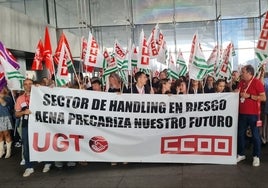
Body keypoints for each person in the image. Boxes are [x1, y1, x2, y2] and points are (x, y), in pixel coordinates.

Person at [15, 78, 52, 177]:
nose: (28, 86)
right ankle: (29, 167)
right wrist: (23, 112)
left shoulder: (40, 94)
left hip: (41, 124)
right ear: (23, 86)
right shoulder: (20, 99)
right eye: (26, 84)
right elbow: (16, 114)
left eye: (30, 84)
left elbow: (52, 96)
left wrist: (43, 88)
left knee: (44, 143)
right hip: (26, 124)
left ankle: (47, 163)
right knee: (26, 146)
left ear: (33, 84)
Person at [236, 65, 266, 167]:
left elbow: (263, 98)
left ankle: (256, 156)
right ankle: (241, 154)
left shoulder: (257, 82)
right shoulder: (241, 82)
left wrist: (249, 96)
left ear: (249, 73)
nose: (241, 73)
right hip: (242, 113)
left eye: (243, 72)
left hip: (253, 114)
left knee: (255, 136)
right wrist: (236, 93)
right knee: (240, 134)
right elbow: (238, 93)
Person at [0, 86, 14, 158]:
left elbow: (4, 104)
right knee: (0, 135)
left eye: (2, 88)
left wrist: (0, 97)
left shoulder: (8, 97)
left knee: (7, 134)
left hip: (5, 117)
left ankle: (8, 151)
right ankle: (1, 150)